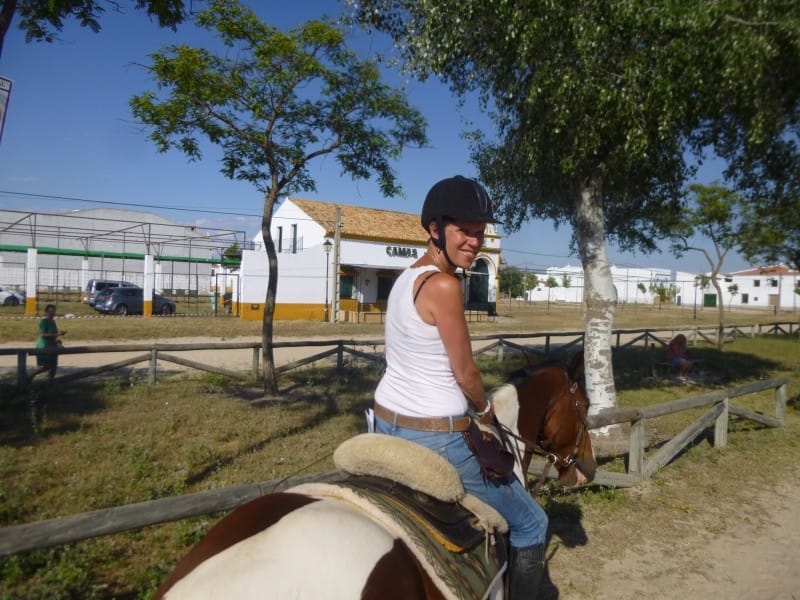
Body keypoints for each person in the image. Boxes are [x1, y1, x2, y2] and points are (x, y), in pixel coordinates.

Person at [373, 175, 549, 599]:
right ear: (435, 229)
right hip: (436, 438)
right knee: (533, 524)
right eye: (464, 231)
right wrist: (485, 411)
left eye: (479, 232)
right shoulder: (446, 285)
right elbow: (466, 372)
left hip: (383, 423)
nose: (475, 241)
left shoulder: (404, 279)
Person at [30, 304, 66, 382]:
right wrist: (57, 334)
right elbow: (43, 334)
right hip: (44, 345)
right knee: (47, 366)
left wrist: (59, 339)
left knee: (54, 365)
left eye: (53, 311)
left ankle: (50, 382)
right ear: (46, 312)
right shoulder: (44, 321)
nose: (51, 313)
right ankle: (31, 375)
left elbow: (53, 334)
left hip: (52, 345)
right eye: (50, 311)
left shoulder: (53, 321)